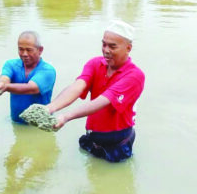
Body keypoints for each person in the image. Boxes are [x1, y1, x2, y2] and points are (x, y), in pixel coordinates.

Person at [47, 20, 145, 162]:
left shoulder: (134, 76)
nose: (106, 50)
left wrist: (66, 117)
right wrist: (50, 108)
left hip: (117, 141)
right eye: (104, 44)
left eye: (112, 46)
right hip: (93, 136)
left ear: (128, 48)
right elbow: (78, 86)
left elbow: (103, 100)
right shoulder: (95, 63)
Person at [0, 31, 56, 123]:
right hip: (17, 122)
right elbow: (5, 76)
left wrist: (6, 87)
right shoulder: (11, 64)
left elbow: (31, 88)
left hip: (40, 124)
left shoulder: (48, 70)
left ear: (40, 50)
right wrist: (1, 83)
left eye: (29, 50)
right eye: (21, 49)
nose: (24, 54)